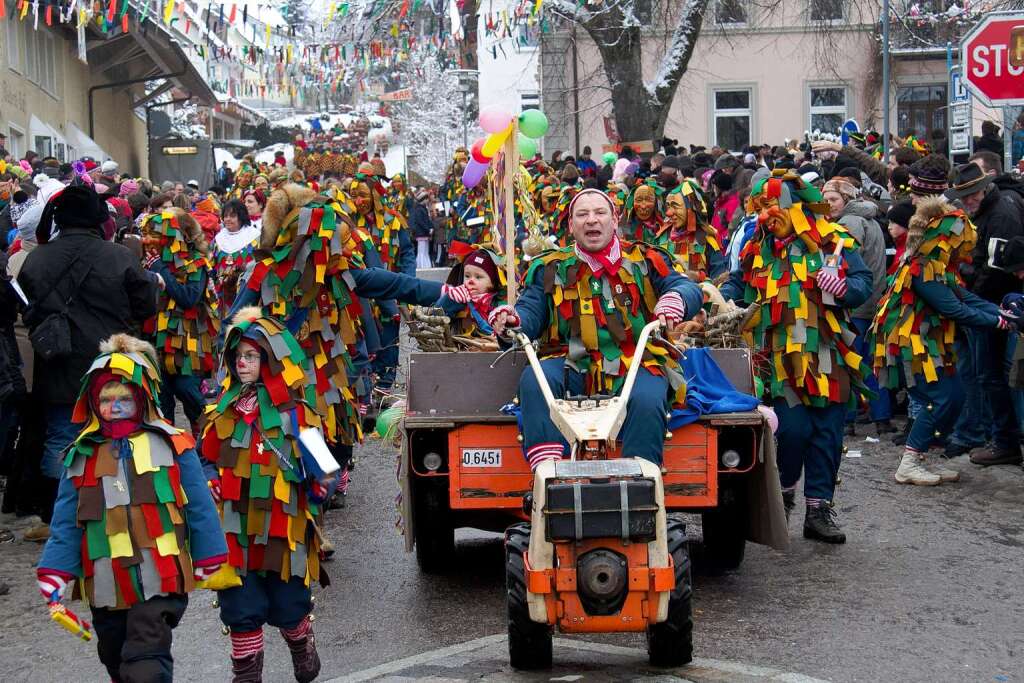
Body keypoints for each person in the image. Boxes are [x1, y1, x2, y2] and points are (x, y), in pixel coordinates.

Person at [35, 334, 226, 682]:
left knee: (146, 658)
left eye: (124, 398)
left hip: (161, 574)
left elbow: (198, 504)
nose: (115, 407)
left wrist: (209, 553)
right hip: (106, 579)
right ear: (92, 402)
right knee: (115, 654)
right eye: (106, 400)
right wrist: (56, 570)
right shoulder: (81, 455)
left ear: (142, 397)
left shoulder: (173, 445)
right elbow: (65, 520)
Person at [488, 189, 704, 469]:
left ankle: (640, 483)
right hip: (571, 363)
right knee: (535, 379)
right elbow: (530, 311)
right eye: (582, 214)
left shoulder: (645, 259)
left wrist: (675, 298)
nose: (592, 220)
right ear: (570, 225)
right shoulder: (550, 267)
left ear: (614, 220)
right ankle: (551, 475)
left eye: (600, 213)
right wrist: (512, 321)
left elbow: (684, 286)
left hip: (636, 363)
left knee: (648, 399)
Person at [720, 170, 874, 544]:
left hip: (828, 355)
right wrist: (723, 297)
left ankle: (819, 510)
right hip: (777, 358)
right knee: (792, 430)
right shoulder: (757, 247)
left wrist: (843, 287)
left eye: (773, 204)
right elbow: (737, 284)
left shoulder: (833, 241)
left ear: (796, 205)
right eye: (761, 206)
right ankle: (784, 492)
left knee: (826, 434)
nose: (767, 213)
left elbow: (863, 284)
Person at [18, 186, 160, 541]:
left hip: (58, 364)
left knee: (62, 439)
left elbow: (27, 308)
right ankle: (118, 509)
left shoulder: (38, 259)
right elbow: (147, 306)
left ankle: (59, 518)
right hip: (111, 364)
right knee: (119, 435)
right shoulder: (119, 257)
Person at [201, 310, 328, 682]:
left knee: (290, 605)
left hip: (283, 531)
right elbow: (203, 460)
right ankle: (246, 674)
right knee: (240, 607)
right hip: (235, 531)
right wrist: (210, 480)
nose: (242, 363)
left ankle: (301, 642)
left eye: (251, 356)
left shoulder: (296, 415)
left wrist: (321, 484)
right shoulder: (221, 414)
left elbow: (325, 468)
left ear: (269, 360)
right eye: (237, 356)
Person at [873, 197, 1012, 485]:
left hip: (929, 340)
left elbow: (965, 297)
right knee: (939, 399)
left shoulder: (939, 266)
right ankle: (909, 463)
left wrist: (1000, 312)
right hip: (911, 341)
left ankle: (922, 458)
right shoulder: (922, 266)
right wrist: (996, 321)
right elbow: (952, 308)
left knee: (955, 396)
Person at [945, 163, 1024, 466]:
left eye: (971, 195)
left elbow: (995, 269)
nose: (967, 202)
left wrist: (972, 300)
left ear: (984, 189)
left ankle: (1005, 439)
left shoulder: (1001, 215)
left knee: (992, 375)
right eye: (963, 197)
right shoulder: (992, 208)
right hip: (991, 301)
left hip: (993, 304)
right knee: (991, 374)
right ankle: (1003, 437)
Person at [822, 177, 893, 436]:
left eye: (834, 199)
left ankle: (850, 417)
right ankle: (880, 415)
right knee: (869, 361)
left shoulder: (847, 224)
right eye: (825, 199)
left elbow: (843, 265)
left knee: (853, 361)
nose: (828, 204)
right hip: (872, 299)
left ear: (847, 200)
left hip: (858, 304)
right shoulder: (870, 219)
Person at [140, 208, 218, 437]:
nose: (148, 240)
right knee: (162, 400)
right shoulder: (147, 263)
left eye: (155, 234)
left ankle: (207, 441)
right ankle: (170, 451)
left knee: (187, 390)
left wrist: (160, 270)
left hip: (188, 344)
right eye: (147, 234)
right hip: (157, 344)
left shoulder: (197, 264)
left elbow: (189, 298)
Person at [436, 248, 506, 336]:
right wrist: (449, 299)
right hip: (462, 347)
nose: (470, 281)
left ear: (492, 283)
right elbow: (436, 317)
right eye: (467, 276)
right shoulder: (459, 298)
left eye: (478, 277)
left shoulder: (500, 303)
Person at [212, 199, 261, 312]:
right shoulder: (218, 239)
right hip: (222, 297)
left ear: (241, 217)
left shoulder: (255, 237)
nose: (228, 219)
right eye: (225, 216)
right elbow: (212, 266)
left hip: (246, 296)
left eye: (232, 216)